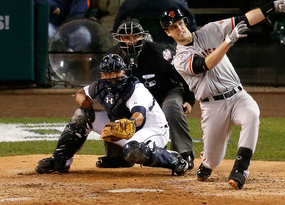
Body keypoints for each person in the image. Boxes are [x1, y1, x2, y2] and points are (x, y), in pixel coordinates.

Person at [160, 0, 285, 189]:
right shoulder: (179, 59)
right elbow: (206, 64)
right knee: (214, 160)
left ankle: (241, 168)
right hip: (213, 106)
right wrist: (228, 42)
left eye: (180, 23)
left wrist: (272, 7)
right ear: (168, 33)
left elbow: (245, 19)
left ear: (185, 22)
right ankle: (206, 163)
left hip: (237, 95)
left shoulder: (210, 30)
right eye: (173, 27)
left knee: (252, 115)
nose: (179, 28)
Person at [35, 54, 189, 175]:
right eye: (107, 73)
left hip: (152, 130)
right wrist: (82, 99)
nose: (111, 76)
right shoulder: (100, 86)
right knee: (81, 115)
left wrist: (129, 123)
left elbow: (139, 115)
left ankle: (174, 159)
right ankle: (60, 161)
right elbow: (81, 92)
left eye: (116, 71)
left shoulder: (135, 88)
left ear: (125, 71)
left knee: (134, 151)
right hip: (124, 130)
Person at [103, 19, 196, 170]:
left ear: (142, 36)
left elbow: (183, 74)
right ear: (119, 39)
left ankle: (184, 153)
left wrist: (189, 99)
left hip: (166, 91)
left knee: (172, 110)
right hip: (135, 98)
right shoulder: (113, 55)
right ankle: (118, 155)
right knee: (113, 109)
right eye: (126, 38)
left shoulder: (161, 52)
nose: (131, 41)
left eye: (135, 36)